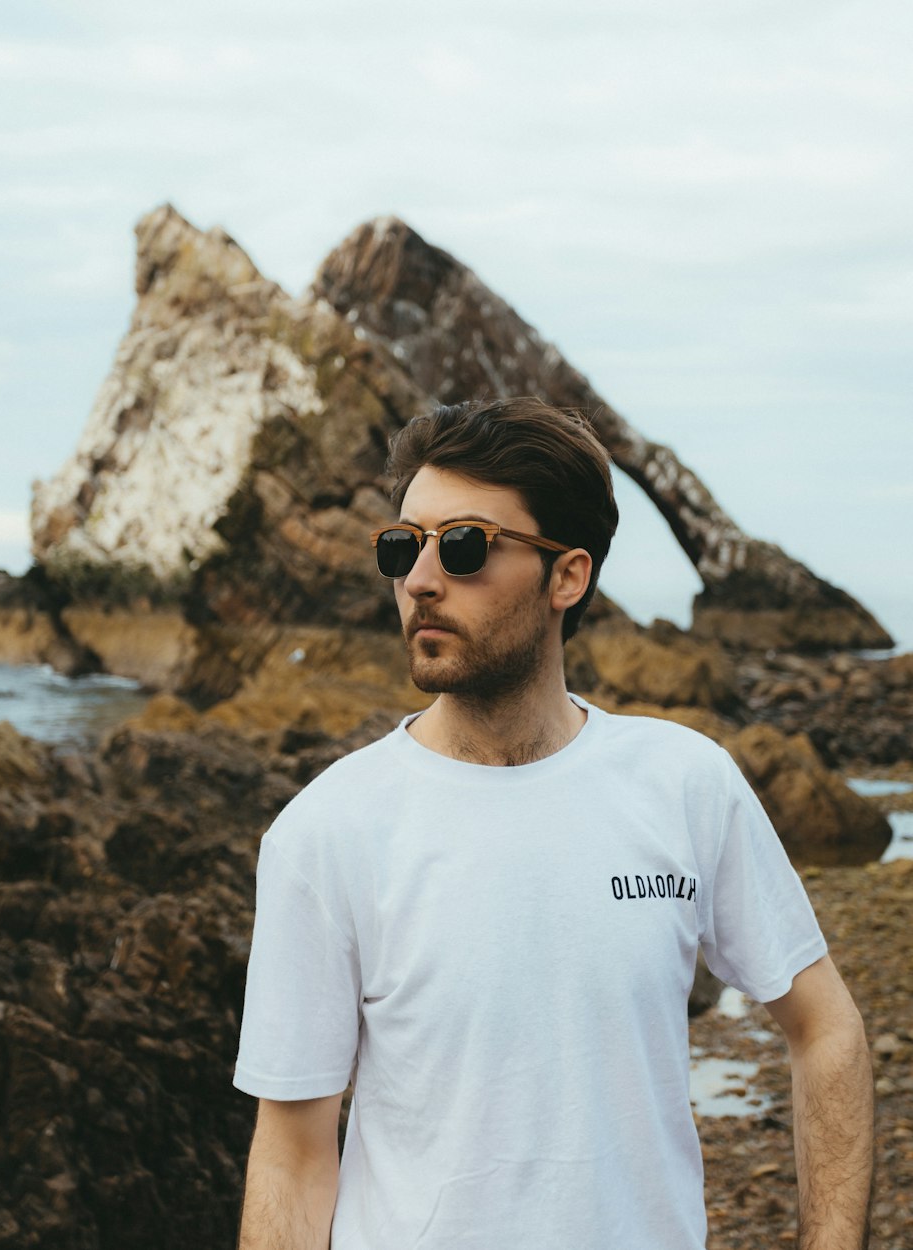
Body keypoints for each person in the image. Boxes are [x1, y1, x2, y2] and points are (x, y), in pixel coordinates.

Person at [233, 397, 874, 1249]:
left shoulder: (684, 785)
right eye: (403, 545)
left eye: (463, 546)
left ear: (567, 577)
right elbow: (293, 1151)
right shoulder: (325, 833)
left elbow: (825, 1030)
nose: (421, 579)